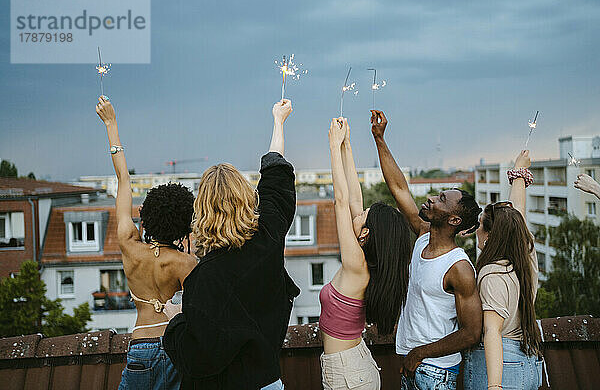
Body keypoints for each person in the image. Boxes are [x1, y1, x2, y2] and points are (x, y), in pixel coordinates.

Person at [162, 99, 300, 390]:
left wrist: (176, 321)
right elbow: (276, 179)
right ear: (246, 199)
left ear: (202, 209)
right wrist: (278, 121)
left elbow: (198, 358)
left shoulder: (204, 278)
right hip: (269, 382)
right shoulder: (269, 235)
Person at [370, 110, 483, 390]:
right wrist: (379, 138)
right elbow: (399, 188)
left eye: (442, 199)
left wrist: (421, 353)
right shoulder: (422, 235)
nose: (432, 198)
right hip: (413, 365)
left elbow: (471, 333)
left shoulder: (459, 268)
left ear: (454, 220)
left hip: (435, 372)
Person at [95, 97, 198, 390]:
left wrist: (110, 124)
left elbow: (123, 179)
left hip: (141, 346)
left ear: (148, 215)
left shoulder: (129, 244)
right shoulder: (186, 263)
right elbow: (198, 312)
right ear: (184, 223)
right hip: (175, 347)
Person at [320, 117, 412, 390]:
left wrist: (333, 148)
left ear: (366, 234)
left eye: (363, 216)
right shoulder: (366, 263)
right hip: (355, 365)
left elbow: (340, 200)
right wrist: (347, 145)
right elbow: (353, 198)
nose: (357, 213)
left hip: (347, 373)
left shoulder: (356, 266)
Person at [464, 150, 543, 389]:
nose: (475, 229)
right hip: (525, 363)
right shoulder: (526, 256)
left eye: (479, 225)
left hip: (502, 368)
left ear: (490, 235)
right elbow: (516, 212)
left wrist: (494, 385)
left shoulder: (493, 275)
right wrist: (519, 172)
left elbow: (492, 332)